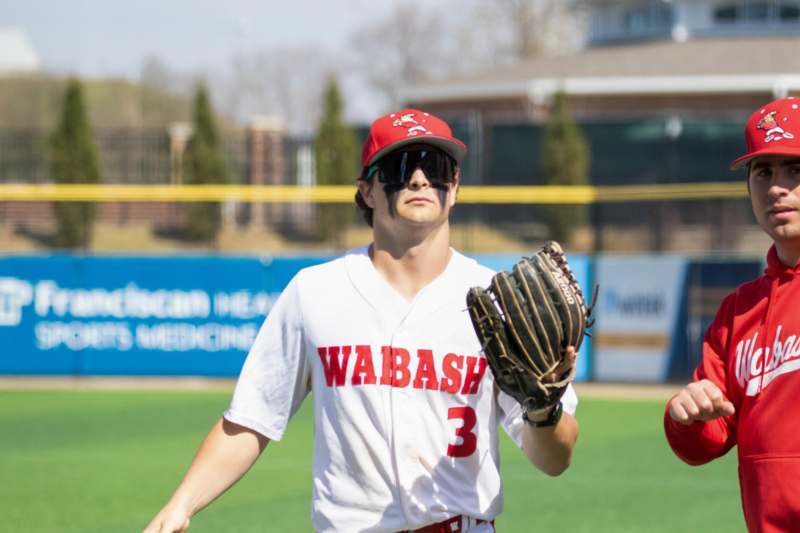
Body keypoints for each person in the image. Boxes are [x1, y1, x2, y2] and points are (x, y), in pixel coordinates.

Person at [144, 109, 580, 533]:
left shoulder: (496, 301)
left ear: (456, 185)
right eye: (399, 165)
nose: (419, 178)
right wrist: (180, 505)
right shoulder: (315, 292)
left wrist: (544, 412)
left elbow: (555, 460)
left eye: (437, 165)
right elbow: (252, 419)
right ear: (367, 191)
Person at [664, 96, 800, 532]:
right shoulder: (738, 311)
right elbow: (709, 440)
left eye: (795, 170)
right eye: (763, 172)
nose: (777, 187)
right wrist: (685, 416)